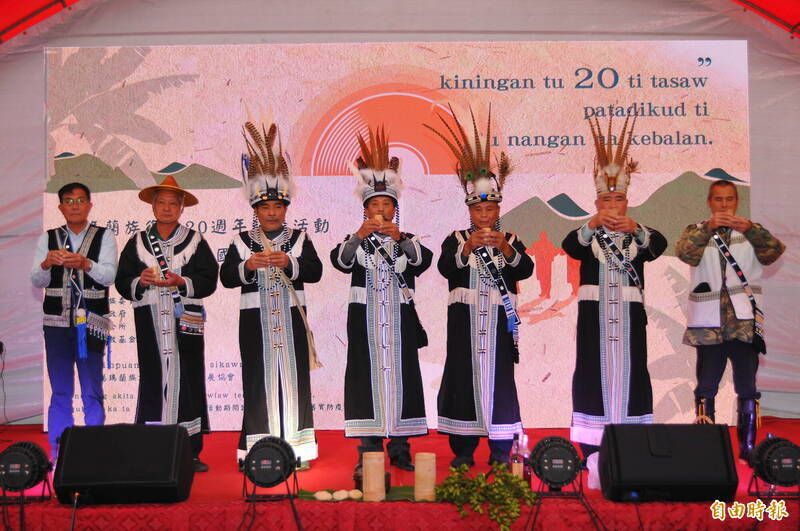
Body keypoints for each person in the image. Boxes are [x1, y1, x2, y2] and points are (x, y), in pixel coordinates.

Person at [561, 115, 667, 487]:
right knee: (590, 375)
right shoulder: (588, 235)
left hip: (628, 319)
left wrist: (636, 228)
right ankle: (591, 455)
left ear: (626, 201)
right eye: (606, 199)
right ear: (596, 202)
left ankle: (632, 449)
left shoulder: (638, 235)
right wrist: (592, 223)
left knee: (634, 376)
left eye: (618, 198)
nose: (612, 205)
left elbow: (659, 246)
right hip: (595, 320)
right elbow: (570, 246)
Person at [427, 106, 534, 466]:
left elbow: (526, 269)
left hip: (500, 328)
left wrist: (505, 248)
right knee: (462, 381)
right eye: (478, 211)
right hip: (464, 328)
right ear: (470, 212)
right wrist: (467, 248)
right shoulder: (455, 238)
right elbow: (444, 268)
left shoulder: (512, 238)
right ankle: (464, 451)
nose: (484, 216)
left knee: (500, 384)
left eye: (489, 210)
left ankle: (501, 450)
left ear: (497, 209)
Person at [220, 119, 322, 466]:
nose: (272, 212)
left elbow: (316, 271)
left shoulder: (299, 239)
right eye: (265, 208)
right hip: (255, 324)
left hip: (292, 323)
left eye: (278, 207)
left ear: (286, 209)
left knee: (295, 383)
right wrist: (248, 266)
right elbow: (226, 278)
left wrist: (289, 262)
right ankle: (256, 450)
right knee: (257, 384)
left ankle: (298, 450)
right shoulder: (241, 241)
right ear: (255, 211)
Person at [331, 126, 432, 473]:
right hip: (365, 328)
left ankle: (401, 447)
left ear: (394, 207)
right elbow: (340, 261)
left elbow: (423, 261)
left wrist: (401, 237)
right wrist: (360, 235)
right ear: (365, 208)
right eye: (374, 204)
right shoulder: (355, 240)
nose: (381, 209)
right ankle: (369, 448)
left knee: (403, 378)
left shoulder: (408, 239)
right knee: (364, 380)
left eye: (386, 204)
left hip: (399, 328)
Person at [675, 179, 785, 462]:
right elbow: (685, 252)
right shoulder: (696, 230)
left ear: (736, 201)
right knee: (706, 386)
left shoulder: (750, 232)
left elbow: (774, 251)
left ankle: (748, 449)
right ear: (710, 203)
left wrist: (751, 228)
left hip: (744, 323)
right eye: (719, 200)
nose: (724, 205)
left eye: (729, 199)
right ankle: (707, 445)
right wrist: (707, 229)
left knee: (747, 387)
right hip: (709, 326)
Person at [115, 176, 218, 472]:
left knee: (189, 380)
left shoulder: (194, 240)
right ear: (152, 206)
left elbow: (209, 278)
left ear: (182, 208)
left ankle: (191, 451)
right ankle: (151, 447)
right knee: (152, 378)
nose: (167, 208)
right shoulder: (137, 242)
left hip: (185, 322)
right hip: (150, 321)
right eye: (161, 202)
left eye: (174, 203)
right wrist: (139, 280)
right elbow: (122, 280)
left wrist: (182, 281)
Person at [31, 182, 117, 460]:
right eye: (69, 201)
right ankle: (58, 451)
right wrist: (46, 264)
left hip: (90, 324)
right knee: (60, 390)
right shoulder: (49, 237)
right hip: (56, 324)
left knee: (92, 388)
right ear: (61, 207)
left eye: (81, 200)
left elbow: (109, 277)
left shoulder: (104, 236)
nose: (75, 205)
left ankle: (94, 451)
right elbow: (36, 280)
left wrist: (85, 264)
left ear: (90, 205)